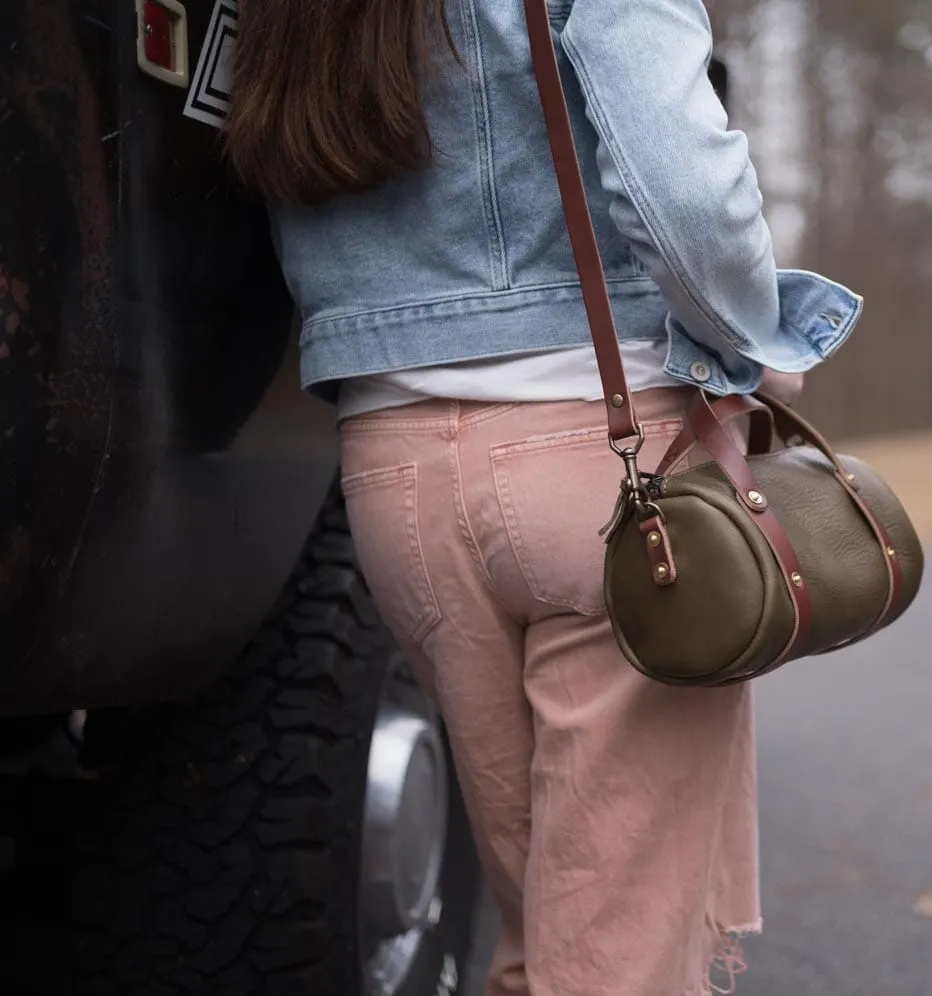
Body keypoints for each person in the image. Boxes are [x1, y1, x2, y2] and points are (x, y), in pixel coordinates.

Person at [224, 0, 861, 993]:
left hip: (395, 478)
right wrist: (753, 336)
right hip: (610, 470)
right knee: (614, 951)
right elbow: (687, 193)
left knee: (542, 923)